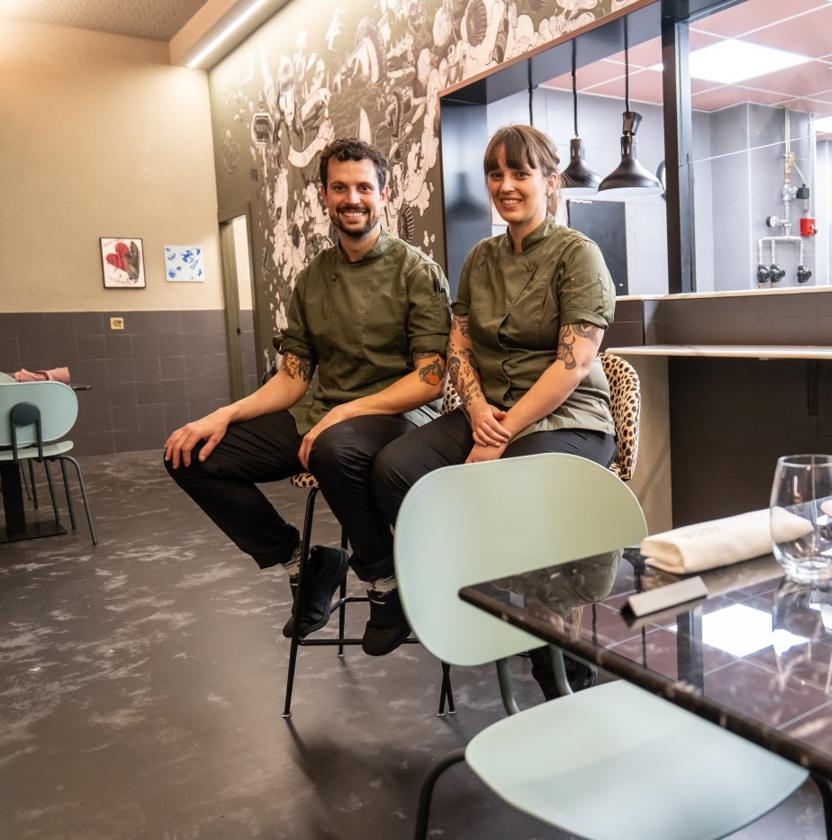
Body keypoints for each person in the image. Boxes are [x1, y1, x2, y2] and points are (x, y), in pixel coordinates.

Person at [165, 138, 451, 656]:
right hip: (319, 416)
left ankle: (384, 584)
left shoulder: (417, 271)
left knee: (333, 448)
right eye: (340, 187)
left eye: (364, 187)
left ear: (384, 194)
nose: (352, 198)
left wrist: (343, 411)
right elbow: (294, 378)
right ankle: (306, 563)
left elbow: (430, 379)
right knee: (191, 455)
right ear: (324, 195)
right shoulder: (313, 278)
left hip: (398, 414)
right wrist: (222, 414)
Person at [370, 124, 617, 688]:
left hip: (569, 417)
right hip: (492, 412)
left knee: (512, 487)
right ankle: (458, 588)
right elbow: (458, 341)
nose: (506, 185)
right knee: (393, 469)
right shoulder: (480, 259)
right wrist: (478, 410)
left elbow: (573, 364)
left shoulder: (578, 256)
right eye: (496, 174)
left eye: (520, 173)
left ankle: (557, 667)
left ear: (550, 183)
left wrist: (498, 436)